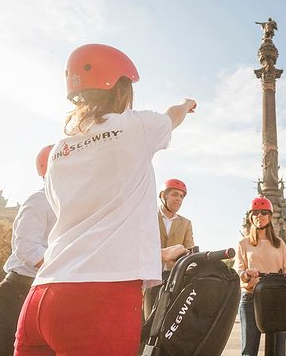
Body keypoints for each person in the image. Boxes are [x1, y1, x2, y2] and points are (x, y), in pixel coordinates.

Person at [14, 43, 195, 356]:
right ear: (121, 87)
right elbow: (172, 116)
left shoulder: (59, 150)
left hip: (41, 296)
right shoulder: (135, 127)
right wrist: (186, 103)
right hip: (99, 298)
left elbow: (75, 218)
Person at [0, 145, 57, 356]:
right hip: (18, 292)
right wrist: (65, 265)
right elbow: (27, 249)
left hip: (41, 291)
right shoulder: (40, 200)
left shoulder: (67, 205)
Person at [234, 196, 286, 356]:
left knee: (278, 350)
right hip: (251, 297)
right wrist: (246, 274)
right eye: (255, 213)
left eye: (264, 213)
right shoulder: (244, 243)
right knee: (249, 350)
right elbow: (238, 271)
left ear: (270, 216)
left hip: (276, 298)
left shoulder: (279, 243)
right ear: (250, 217)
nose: (259, 216)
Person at [143, 178, 195, 317]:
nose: (179, 199)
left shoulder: (186, 223)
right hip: (149, 277)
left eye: (181, 196)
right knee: (146, 319)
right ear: (163, 196)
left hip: (174, 280)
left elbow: (190, 250)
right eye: (174, 194)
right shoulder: (148, 217)